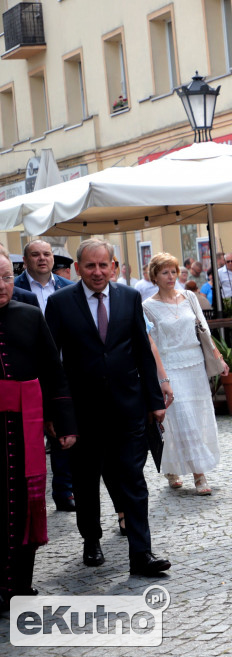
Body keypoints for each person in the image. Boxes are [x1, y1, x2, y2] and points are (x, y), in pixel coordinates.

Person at [45, 238, 171, 576]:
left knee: (133, 479)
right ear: (78, 269)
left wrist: (155, 400)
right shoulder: (59, 303)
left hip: (127, 407)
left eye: (104, 265)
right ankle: (91, 538)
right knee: (86, 481)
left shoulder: (129, 298)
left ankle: (141, 554)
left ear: (113, 266)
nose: (98, 272)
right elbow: (51, 364)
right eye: (90, 266)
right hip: (82, 411)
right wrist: (56, 414)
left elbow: (143, 352)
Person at [0, 253, 77, 610]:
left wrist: (63, 421)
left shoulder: (30, 314)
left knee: (23, 502)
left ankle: (19, 583)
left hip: (23, 424)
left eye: (5, 278)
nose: (1, 286)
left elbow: (53, 372)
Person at [143, 253, 228, 496]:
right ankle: (199, 474)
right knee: (180, 417)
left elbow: (204, 329)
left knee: (197, 416)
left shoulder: (189, 297)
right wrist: (160, 377)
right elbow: (151, 345)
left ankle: (172, 467)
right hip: (170, 366)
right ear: (155, 277)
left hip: (195, 364)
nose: (171, 277)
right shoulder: (147, 307)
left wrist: (218, 358)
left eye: (173, 271)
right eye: (164, 273)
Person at [14, 239, 75, 512]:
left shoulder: (68, 288)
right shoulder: (12, 288)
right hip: (24, 373)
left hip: (58, 370)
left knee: (61, 429)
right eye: (36, 255)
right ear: (25, 261)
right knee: (27, 436)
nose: (42, 259)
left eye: (47, 254)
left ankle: (64, 491)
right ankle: (26, 493)